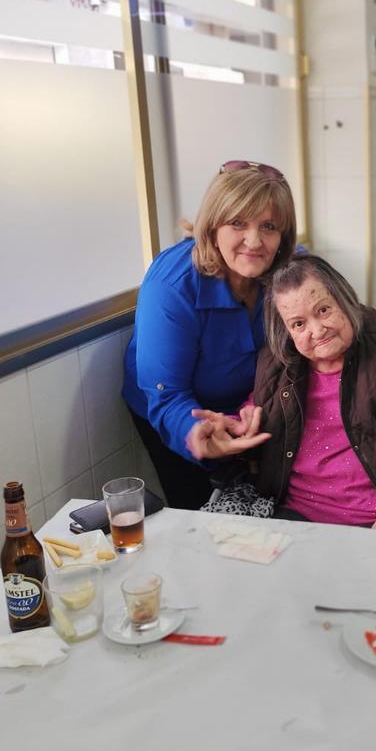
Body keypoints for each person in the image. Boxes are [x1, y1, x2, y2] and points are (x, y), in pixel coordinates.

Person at [186, 254, 376, 532]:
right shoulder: (277, 363)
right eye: (298, 324)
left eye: (323, 310)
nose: (317, 331)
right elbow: (254, 412)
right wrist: (230, 431)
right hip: (289, 518)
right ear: (286, 331)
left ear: (344, 299)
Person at [121, 161, 297, 510]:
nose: (254, 241)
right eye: (237, 223)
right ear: (212, 226)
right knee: (202, 519)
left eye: (269, 226)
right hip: (183, 411)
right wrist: (194, 434)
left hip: (253, 407)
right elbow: (167, 394)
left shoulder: (293, 271)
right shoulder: (172, 286)